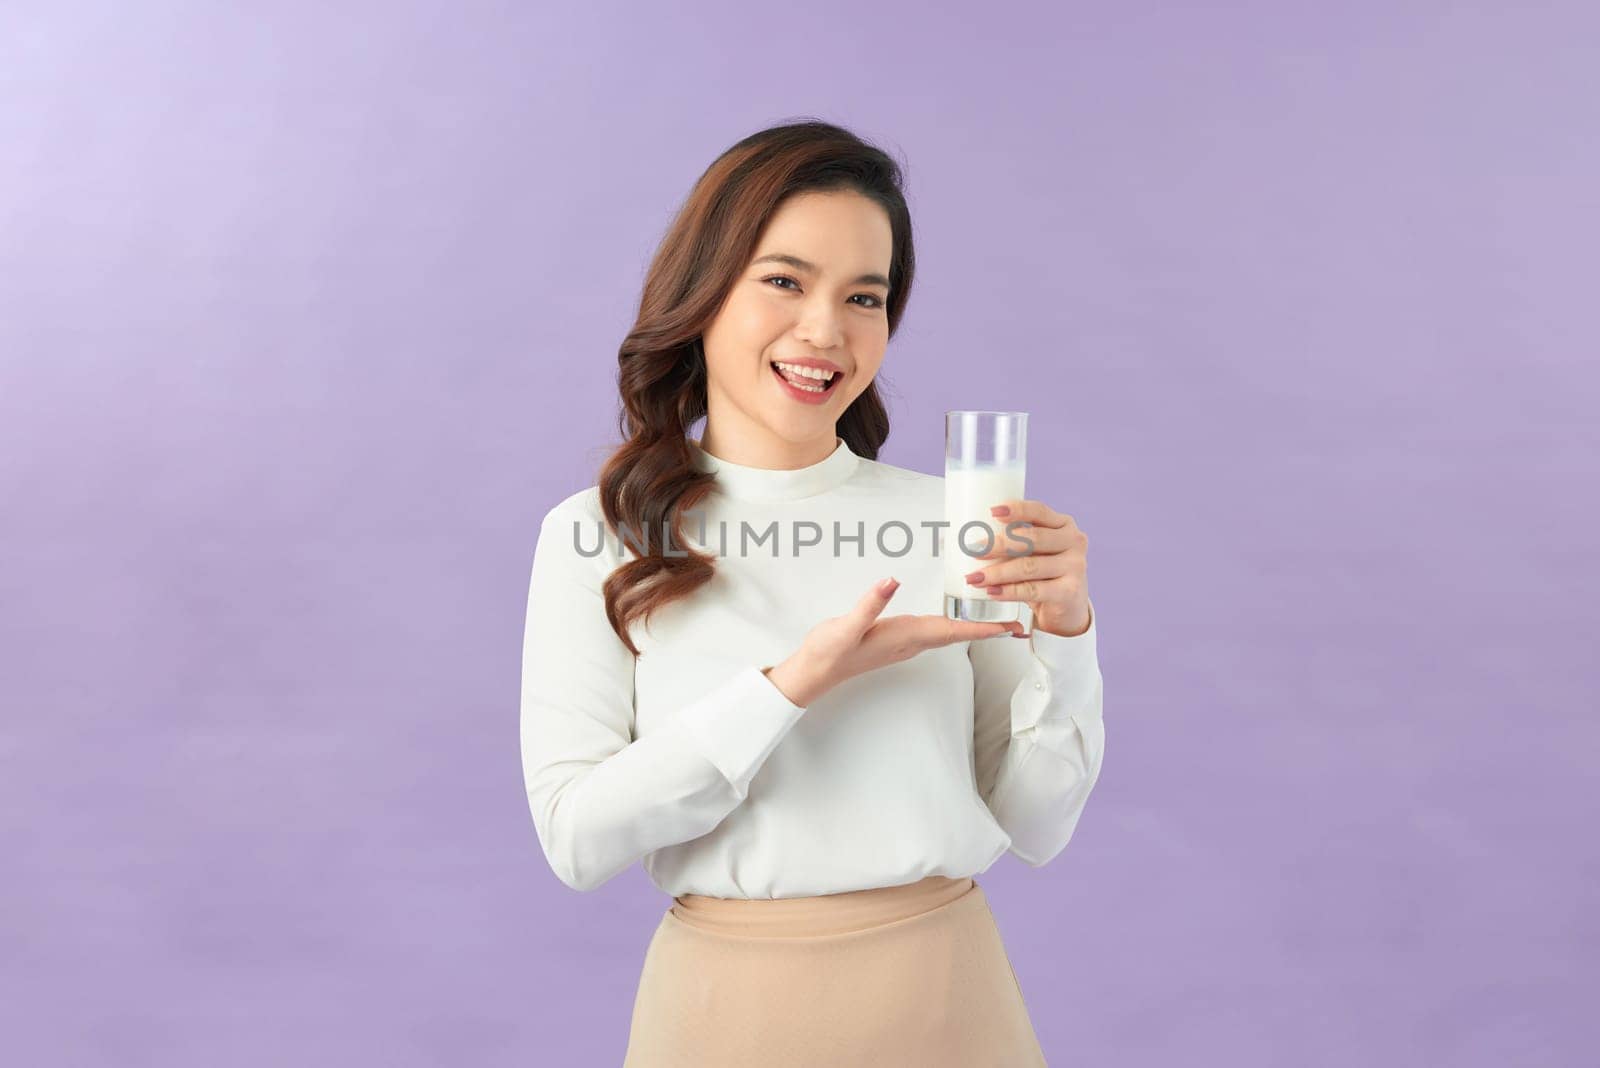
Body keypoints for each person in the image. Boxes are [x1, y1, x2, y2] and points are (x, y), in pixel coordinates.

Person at [519, 119, 1104, 1067]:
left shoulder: (952, 521)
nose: (825, 331)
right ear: (703, 293)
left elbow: (1035, 823)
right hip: (722, 1018)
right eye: (784, 280)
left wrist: (1066, 636)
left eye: (863, 297)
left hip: (952, 1009)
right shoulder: (600, 534)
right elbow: (578, 841)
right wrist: (789, 686)